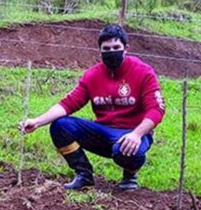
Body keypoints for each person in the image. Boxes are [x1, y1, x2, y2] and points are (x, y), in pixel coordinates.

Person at [19, 24, 165, 191]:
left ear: (126, 49)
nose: (112, 52)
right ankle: (84, 176)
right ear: (100, 51)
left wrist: (137, 134)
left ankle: (130, 173)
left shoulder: (143, 72)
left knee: (127, 151)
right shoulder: (92, 75)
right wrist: (37, 122)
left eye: (116, 47)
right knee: (61, 126)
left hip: (133, 134)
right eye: (107, 48)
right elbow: (68, 104)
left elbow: (156, 109)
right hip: (103, 132)